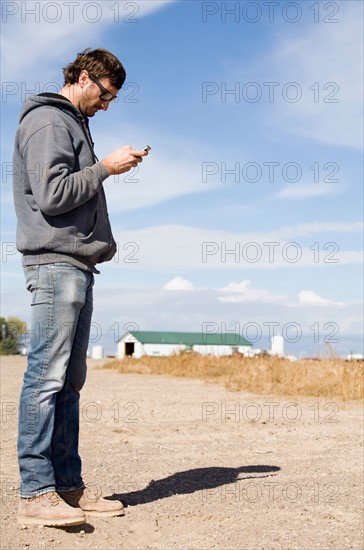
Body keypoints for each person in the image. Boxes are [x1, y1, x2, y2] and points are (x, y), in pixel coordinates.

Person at [12, 48, 148, 527]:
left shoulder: (73, 123)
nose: (106, 105)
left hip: (76, 265)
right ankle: (36, 492)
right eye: (106, 95)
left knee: (69, 381)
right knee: (47, 377)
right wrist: (106, 167)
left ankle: (67, 486)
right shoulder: (51, 122)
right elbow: (52, 195)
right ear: (85, 77)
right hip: (55, 264)